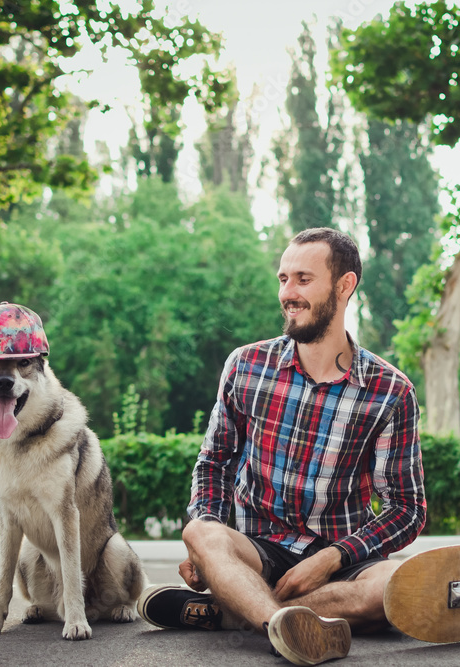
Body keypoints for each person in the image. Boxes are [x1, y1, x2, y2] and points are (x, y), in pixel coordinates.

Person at [137, 228, 426, 665]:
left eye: (303, 280)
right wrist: (208, 542)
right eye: (283, 279)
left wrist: (331, 558)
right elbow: (214, 461)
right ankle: (287, 627)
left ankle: (236, 611)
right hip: (257, 548)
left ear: (345, 285)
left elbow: (407, 508)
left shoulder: (390, 391)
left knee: (396, 583)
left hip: (340, 556)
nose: (287, 293)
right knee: (200, 531)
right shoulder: (246, 365)